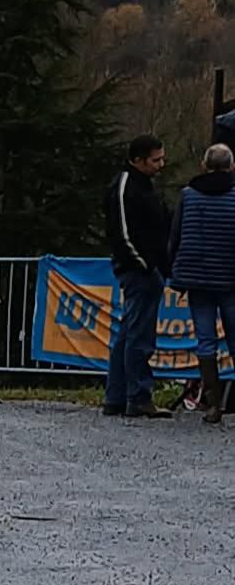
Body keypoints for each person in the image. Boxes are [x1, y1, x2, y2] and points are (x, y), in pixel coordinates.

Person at [104, 134, 172, 419]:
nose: (161, 165)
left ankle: (117, 396)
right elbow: (121, 234)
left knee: (129, 332)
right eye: (155, 160)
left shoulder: (144, 187)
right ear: (137, 160)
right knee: (140, 336)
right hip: (138, 270)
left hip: (148, 268)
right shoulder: (124, 187)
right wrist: (144, 265)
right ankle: (138, 395)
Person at [169, 143, 235, 424]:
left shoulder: (188, 195)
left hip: (197, 279)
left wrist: (175, 270)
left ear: (203, 165)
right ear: (232, 166)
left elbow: (175, 236)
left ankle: (212, 405)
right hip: (232, 279)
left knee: (205, 341)